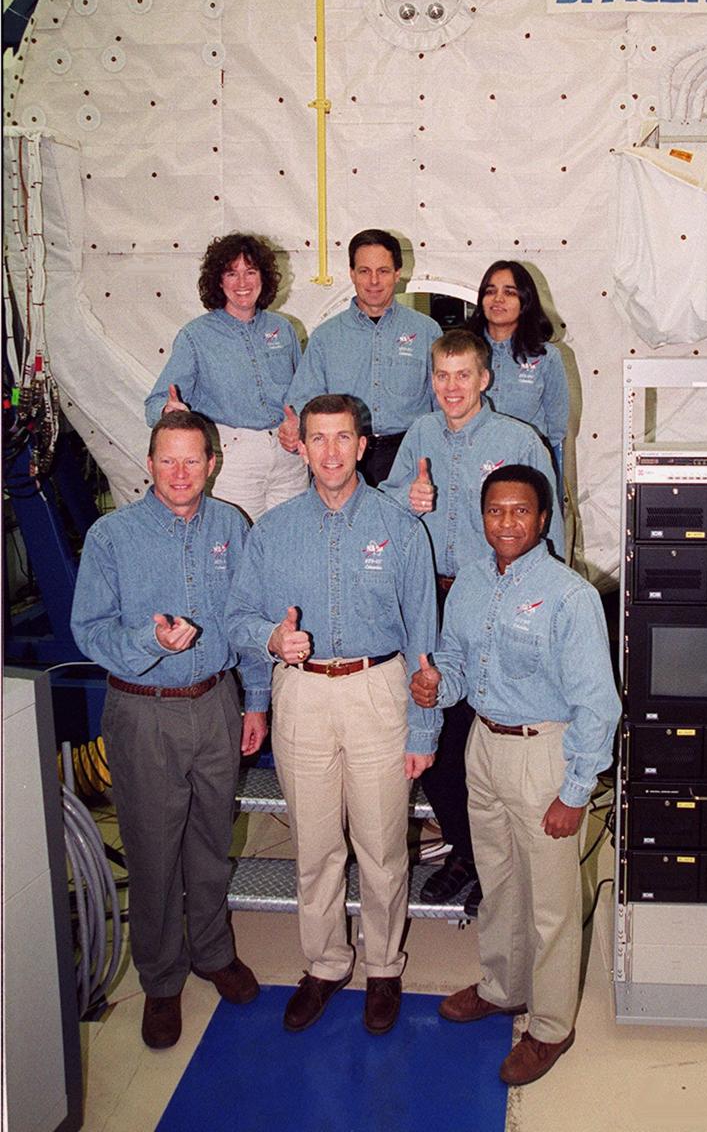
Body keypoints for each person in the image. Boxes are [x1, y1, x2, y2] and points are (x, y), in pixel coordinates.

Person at [225, 394, 439, 1036]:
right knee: (315, 846)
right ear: (301, 447)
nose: (330, 451)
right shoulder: (272, 531)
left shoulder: (402, 528)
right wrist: (271, 641)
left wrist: (423, 727)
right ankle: (324, 963)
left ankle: (383, 966)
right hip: (303, 695)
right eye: (317, 438)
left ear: (363, 445)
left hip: (378, 690)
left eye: (342, 437)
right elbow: (238, 617)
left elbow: (424, 636)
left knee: (381, 846)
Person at [410, 465, 619, 1086]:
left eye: (520, 511)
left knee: (552, 904)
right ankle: (504, 987)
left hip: (543, 753)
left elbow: (598, 705)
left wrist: (575, 792)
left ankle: (551, 1025)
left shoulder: (570, 596)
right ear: (483, 517)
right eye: (495, 511)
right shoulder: (472, 582)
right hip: (483, 745)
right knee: (498, 882)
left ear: (543, 519)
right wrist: (437, 684)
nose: (506, 522)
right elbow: (455, 660)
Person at [71, 412, 268, 1050]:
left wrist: (256, 701)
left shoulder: (232, 527)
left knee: (211, 838)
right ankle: (160, 979)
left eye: (192, 460)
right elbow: (89, 629)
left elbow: (248, 619)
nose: (180, 473)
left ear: (212, 463)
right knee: (153, 851)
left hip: (216, 703)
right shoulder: (112, 537)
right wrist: (149, 642)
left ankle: (212, 951)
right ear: (150, 462)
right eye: (168, 460)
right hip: (143, 711)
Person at [380, 329, 564, 912]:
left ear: (485, 379)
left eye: (463, 375)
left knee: (487, 729)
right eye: (441, 375)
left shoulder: (519, 439)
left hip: (493, 595)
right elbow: (384, 503)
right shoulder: (420, 434)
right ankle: (465, 849)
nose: (451, 387)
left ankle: (495, 860)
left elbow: (551, 526)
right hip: (429, 598)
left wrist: (543, 607)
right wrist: (406, 499)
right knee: (430, 722)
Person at [145, 232, 307, 522]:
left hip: (289, 458)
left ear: (263, 277)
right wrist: (169, 411)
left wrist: (299, 421)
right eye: (231, 273)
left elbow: (305, 391)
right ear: (218, 281)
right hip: (234, 462)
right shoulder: (195, 336)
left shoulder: (283, 330)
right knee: (237, 539)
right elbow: (154, 403)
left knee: (291, 536)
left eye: (250, 272)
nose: (242, 282)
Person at [282, 229, 441, 485]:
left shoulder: (426, 332)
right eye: (364, 271)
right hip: (341, 457)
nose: (374, 281)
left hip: (409, 457)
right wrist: (294, 427)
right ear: (352, 273)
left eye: (383, 271)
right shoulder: (325, 336)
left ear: (398, 273)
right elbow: (303, 400)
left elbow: (443, 401)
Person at [466, 260, 569, 454]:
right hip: (471, 457)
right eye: (490, 291)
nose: (498, 299)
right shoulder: (463, 352)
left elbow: (556, 429)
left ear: (525, 301)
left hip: (526, 460)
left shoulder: (546, 357)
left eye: (509, 292)